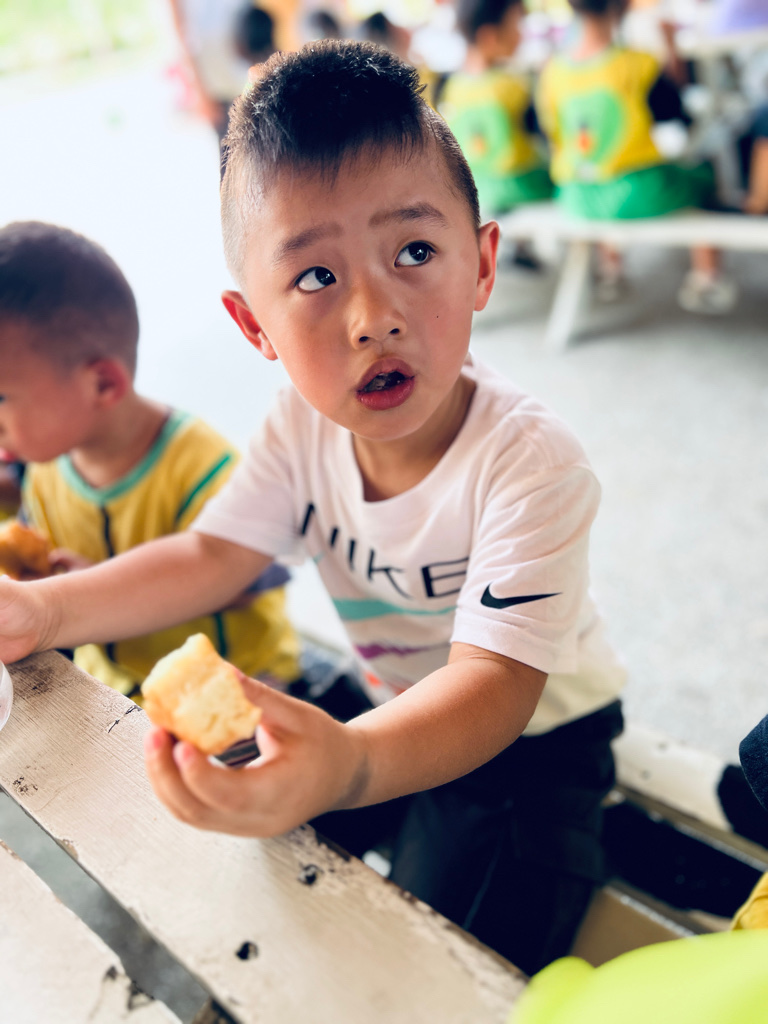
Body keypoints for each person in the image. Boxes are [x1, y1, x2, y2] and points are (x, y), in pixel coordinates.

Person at [0, 42, 626, 975]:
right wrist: (43, 612)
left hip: (532, 747)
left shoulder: (529, 461)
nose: (374, 315)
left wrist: (350, 764)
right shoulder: (300, 426)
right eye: (316, 278)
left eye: (415, 252)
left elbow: (496, 684)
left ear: (483, 264)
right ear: (254, 324)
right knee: (240, 865)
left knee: (428, 959)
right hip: (384, 706)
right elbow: (211, 557)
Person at [0, 220, 301, 703]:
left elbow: (246, 577)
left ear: (103, 384)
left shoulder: (203, 467)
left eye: (1, 398)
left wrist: (91, 586)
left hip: (229, 688)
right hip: (112, 685)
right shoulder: (42, 466)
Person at [536, 0, 738, 313]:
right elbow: (677, 115)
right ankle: (707, 275)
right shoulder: (637, 64)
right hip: (637, 193)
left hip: (577, 196)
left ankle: (611, 269)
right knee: (703, 174)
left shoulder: (552, 72)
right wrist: (671, 53)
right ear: (618, 8)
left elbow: (551, 134)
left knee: (600, 164)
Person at [440, 0, 554, 216]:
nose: (521, 35)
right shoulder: (514, 85)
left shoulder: (452, 88)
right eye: (516, 25)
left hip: (478, 190)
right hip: (525, 188)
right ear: (489, 37)